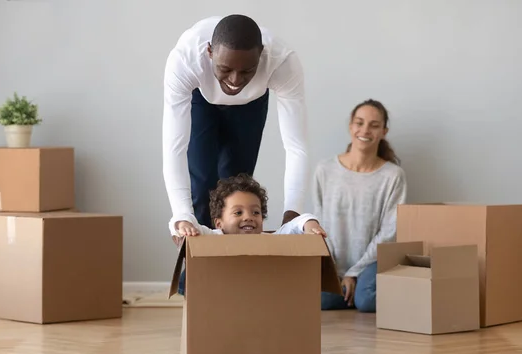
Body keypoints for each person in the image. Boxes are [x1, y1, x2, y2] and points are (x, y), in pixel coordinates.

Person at [162, 15, 309, 241]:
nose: (234, 79)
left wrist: (293, 214)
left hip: (251, 103)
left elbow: (296, 146)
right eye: (225, 68)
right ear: (209, 52)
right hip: (201, 98)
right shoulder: (185, 59)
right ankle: (193, 273)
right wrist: (181, 215)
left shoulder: (282, 61)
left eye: (246, 70)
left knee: (236, 193)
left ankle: (233, 270)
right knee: (201, 188)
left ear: (261, 54)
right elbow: (174, 148)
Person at [313, 99, 408, 313]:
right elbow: (318, 224)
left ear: (384, 131)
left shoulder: (393, 176)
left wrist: (354, 272)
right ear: (350, 126)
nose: (365, 130)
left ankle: (357, 290)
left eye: (374, 125)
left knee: (366, 301)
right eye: (359, 123)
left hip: (372, 261)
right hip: (333, 260)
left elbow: (390, 232)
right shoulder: (324, 170)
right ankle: (348, 293)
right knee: (321, 300)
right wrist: (333, 269)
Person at [172, 174, 327, 295]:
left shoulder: (271, 240)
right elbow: (186, 221)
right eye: (238, 212)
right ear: (219, 223)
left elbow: (294, 225)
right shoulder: (213, 237)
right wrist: (184, 225)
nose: (248, 217)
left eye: (256, 212)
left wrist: (310, 224)